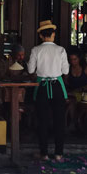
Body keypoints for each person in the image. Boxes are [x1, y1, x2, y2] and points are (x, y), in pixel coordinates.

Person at [27, 20, 69, 161]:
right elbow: (66, 70)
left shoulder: (36, 50)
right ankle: (58, 154)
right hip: (57, 86)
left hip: (42, 87)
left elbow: (31, 70)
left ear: (40, 36)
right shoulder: (61, 50)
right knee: (59, 121)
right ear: (53, 34)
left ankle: (44, 153)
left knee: (42, 121)